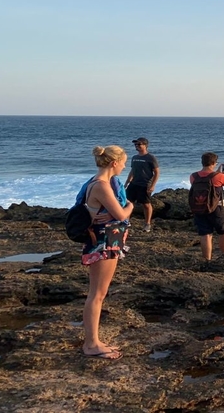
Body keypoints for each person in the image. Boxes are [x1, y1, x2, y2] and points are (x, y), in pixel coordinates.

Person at [81, 145, 134, 360]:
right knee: (97, 294)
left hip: (108, 239)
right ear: (114, 163)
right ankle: (91, 344)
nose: (123, 166)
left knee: (98, 293)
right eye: (123, 162)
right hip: (103, 241)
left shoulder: (97, 182)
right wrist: (130, 205)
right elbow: (121, 214)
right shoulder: (102, 186)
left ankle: (93, 341)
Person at [191, 152, 224, 261]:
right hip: (218, 208)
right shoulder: (220, 176)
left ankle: (207, 259)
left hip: (200, 207)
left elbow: (207, 179)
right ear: (213, 163)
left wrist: (217, 172)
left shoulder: (193, 176)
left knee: (205, 234)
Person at [125, 137, 159, 232]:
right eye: (136, 144)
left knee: (146, 204)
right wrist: (127, 182)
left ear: (145, 145)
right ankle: (126, 221)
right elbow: (132, 171)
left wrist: (152, 185)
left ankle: (147, 224)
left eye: (139, 144)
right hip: (134, 183)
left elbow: (156, 172)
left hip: (145, 184)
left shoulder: (150, 158)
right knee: (128, 202)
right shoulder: (135, 158)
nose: (137, 146)